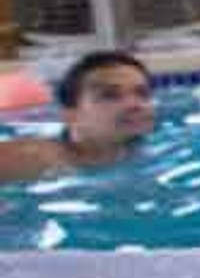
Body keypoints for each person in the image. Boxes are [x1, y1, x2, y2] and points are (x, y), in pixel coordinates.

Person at [0, 52, 157, 183]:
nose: (135, 105)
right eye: (110, 95)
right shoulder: (33, 158)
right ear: (70, 115)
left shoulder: (139, 151)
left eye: (142, 94)